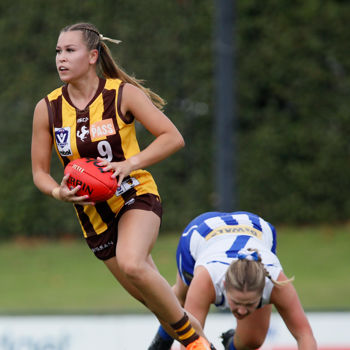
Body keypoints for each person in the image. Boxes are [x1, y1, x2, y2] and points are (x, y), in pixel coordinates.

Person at [31, 22, 214, 350]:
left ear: (92, 56)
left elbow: (173, 138)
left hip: (134, 194)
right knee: (164, 307)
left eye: (69, 50)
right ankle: (206, 345)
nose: (61, 57)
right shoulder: (47, 109)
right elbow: (40, 174)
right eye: (58, 51)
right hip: (94, 220)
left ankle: (193, 345)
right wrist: (57, 192)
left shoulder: (121, 94)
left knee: (133, 263)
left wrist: (129, 164)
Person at [148, 211, 318, 350]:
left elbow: (305, 335)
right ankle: (160, 343)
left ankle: (231, 344)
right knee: (181, 297)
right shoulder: (206, 280)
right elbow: (189, 342)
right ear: (224, 285)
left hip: (256, 227)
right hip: (201, 233)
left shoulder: (275, 282)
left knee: (253, 341)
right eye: (237, 302)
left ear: (262, 290)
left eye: (250, 303)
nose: (242, 311)